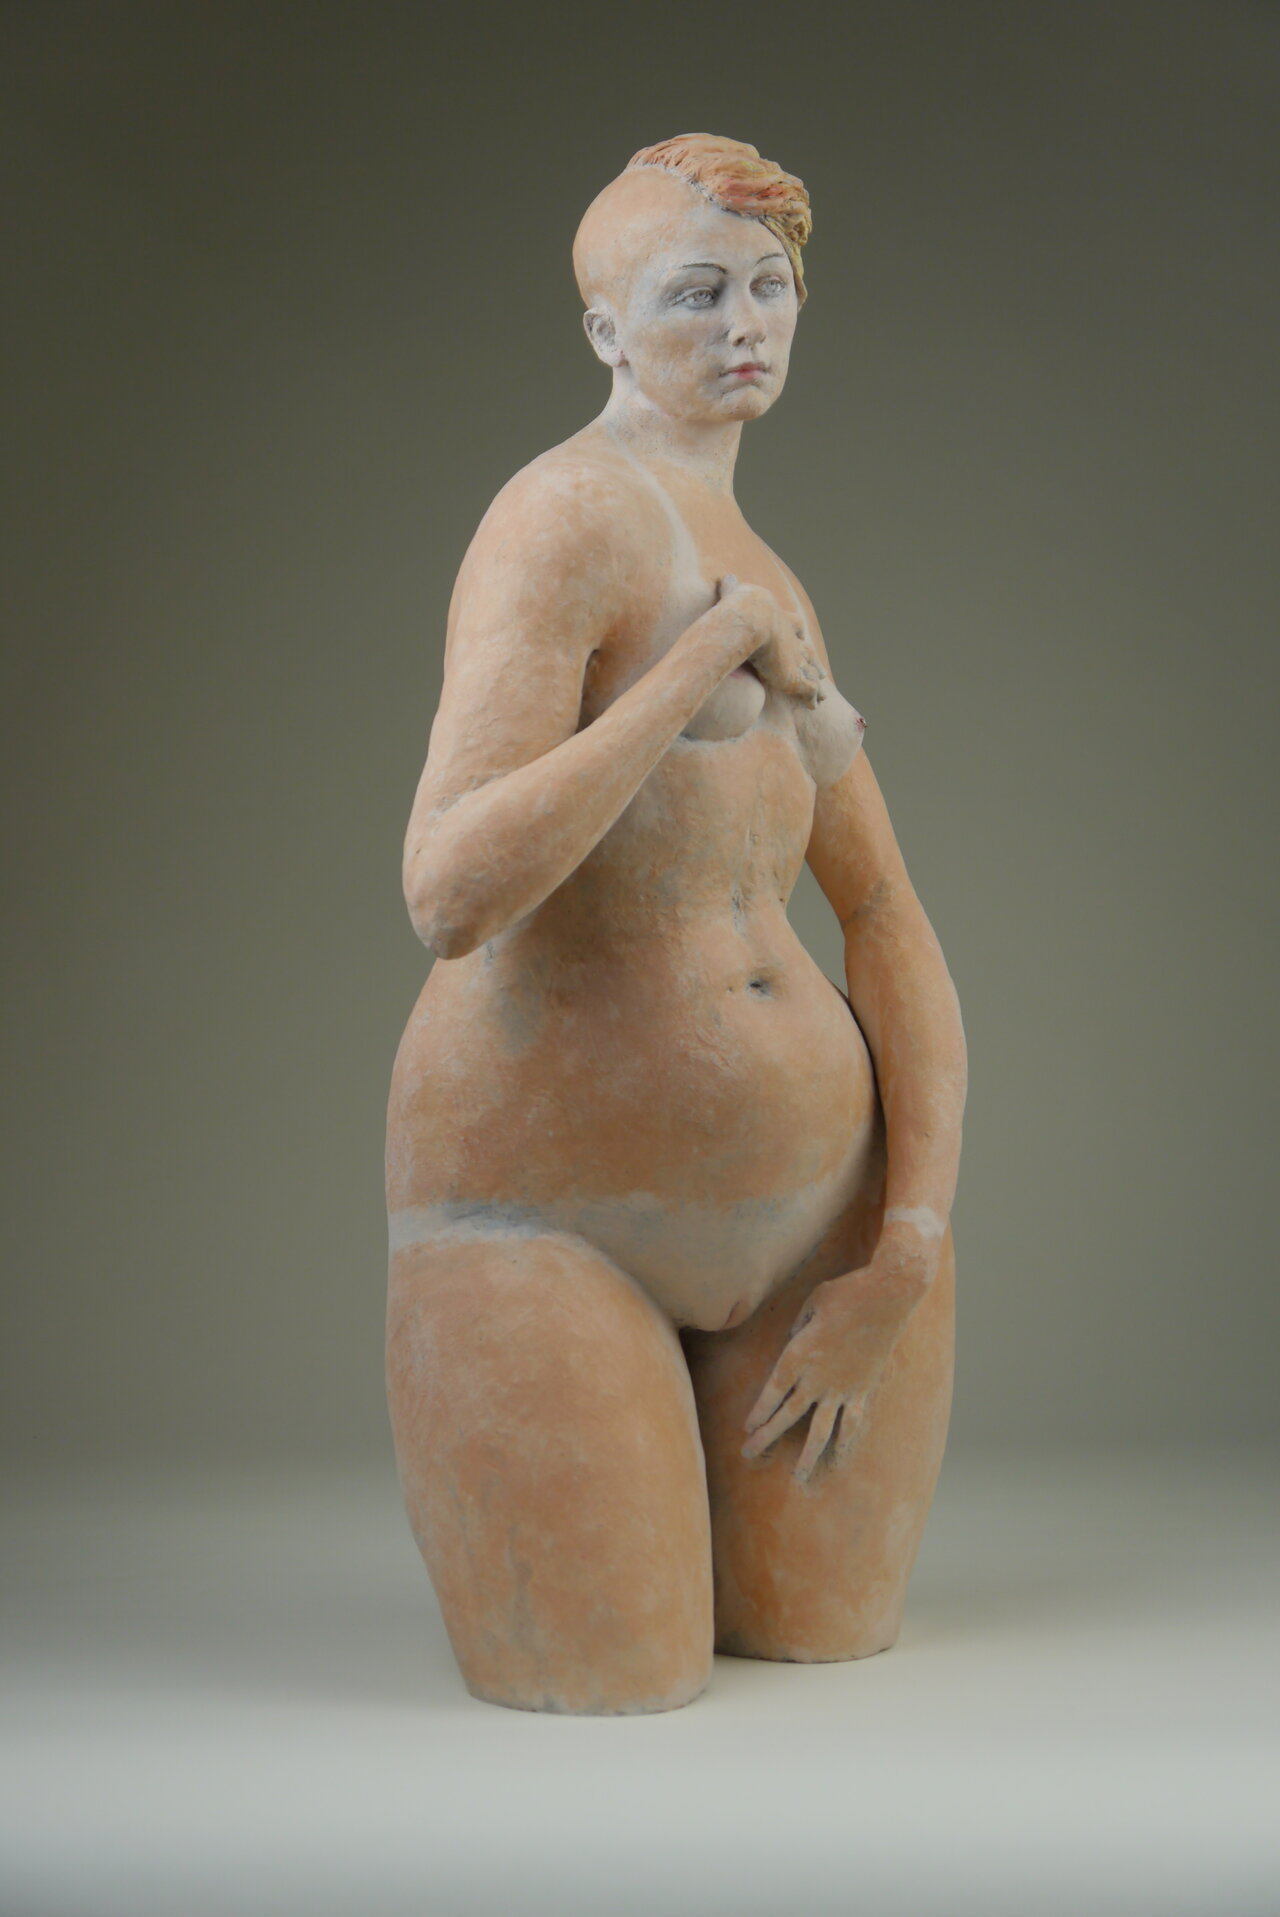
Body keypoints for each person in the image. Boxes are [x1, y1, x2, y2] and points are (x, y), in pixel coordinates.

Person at [385, 133, 967, 1715]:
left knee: (829, 1633)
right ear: (606, 329)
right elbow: (448, 888)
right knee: (613, 1677)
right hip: (547, 1221)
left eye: (770, 288)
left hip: (821, 1227)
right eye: (696, 292)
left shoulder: (767, 570)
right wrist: (691, 671)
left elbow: (884, 913)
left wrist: (907, 1248)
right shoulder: (561, 516)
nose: (744, 323)